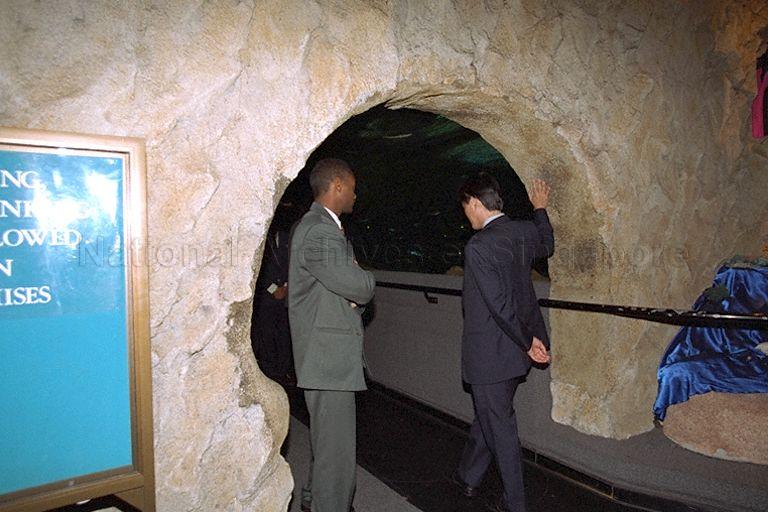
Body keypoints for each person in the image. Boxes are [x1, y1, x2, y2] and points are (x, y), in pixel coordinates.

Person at [452, 173, 554, 512]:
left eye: (466, 207)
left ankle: (516, 504)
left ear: (477, 204)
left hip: (493, 354)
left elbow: (499, 306)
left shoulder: (479, 246)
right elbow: (547, 244)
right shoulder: (523, 231)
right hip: (514, 354)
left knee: (501, 430)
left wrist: (527, 342)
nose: (466, 215)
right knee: (489, 416)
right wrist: (539, 209)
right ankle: (469, 476)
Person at [288, 158, 376, 512]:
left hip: (325, 356)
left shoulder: (321, 228)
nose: (355, 194)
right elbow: (357, 284)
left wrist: (353, 290)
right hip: (328, 358)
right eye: (352, 186)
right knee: (337, 451)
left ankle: (314, 497)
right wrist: (365, 282)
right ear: (337, 185)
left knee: (326, 442)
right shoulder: (320, 230)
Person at [252, 226, 293, 382]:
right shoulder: (259, 238)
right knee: (266, 334)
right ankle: (268, 371)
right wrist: (273, 289)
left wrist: (287, 287)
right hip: (266, 298)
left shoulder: (287, 237)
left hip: (286, 295)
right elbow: (259, 269)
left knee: (284, 334)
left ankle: (283, 371)